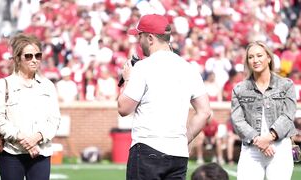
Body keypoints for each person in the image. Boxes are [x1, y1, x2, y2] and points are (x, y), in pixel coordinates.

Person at [117, 14, 211, 180]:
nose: (138, 41)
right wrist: (184, 139)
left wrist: (127, 80)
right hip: (178, 153)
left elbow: (124, 108)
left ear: (150, 38)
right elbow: (204, 112)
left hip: (147, 148)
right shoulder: (188, 68)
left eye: (140, 36)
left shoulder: (143, 67)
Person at [0, 33, 61, 180]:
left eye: (37, 56)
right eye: (28, 56)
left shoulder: (48, 86)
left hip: (41, 152)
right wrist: (24, 140)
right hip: (11, 153)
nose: (34, 60)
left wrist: (37, 137)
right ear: (17, 58)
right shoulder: (2, 85)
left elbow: (54, 120)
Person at [231, 41, 297, 180]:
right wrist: (258, 140)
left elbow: (288, 115)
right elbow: (238, 120)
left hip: (280, 148)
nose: (255, 60)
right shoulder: (239, 89)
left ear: (268, 58)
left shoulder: (286, 85)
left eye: (259, 55)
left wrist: (269, 138)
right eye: (251, 57)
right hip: (251, 149)